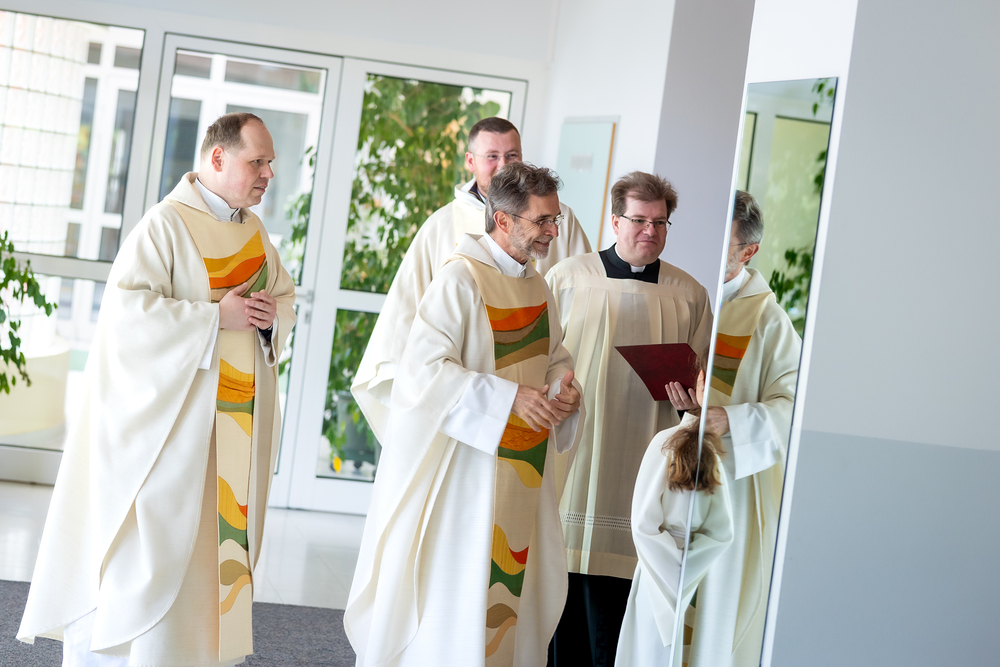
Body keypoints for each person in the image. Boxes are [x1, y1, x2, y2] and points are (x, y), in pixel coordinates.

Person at [18, 112, 296, 666]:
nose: (268, 174)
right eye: (257, 162)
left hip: (233, 425)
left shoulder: (254, 233)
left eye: (270, 163)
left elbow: (282, 299)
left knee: (214, 558)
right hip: (174, 433)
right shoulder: (165, 225)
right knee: (158, 554)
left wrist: (270, 318)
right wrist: (213, 320)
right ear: (217, 158)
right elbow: (127, 318)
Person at [344, 162, 585, 667]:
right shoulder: (460, 279)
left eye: (554, 219)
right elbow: (423, 371)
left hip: (523, 463)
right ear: (503, 220)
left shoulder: (536, 285)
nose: (553, 231)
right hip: (469, 470)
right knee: (463, 593)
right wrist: (508, 398)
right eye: (542, 220)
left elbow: (554, 357)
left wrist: (565, 390)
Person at [544, 171, 713, 665]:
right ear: (615, 221)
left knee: (625, 602)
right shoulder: (567, 278)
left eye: (660, 222)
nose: (649, 231)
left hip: (648, 455)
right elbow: (542, 361)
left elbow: (705, 384)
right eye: (639, 220)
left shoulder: (689, 294)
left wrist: (692, 404)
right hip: (579, 453)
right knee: (565, 590)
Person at [352, 117, 591, 446]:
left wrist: (562, 388)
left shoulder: (539, 276)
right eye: (492, 156)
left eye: (512, 156)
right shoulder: (444, 235)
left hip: (530, 422)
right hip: (461, 423)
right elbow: (413, 335)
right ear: (470, 161)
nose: (503, 166)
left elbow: (563, 332)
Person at [665, 191, 801, 667]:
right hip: (686, 480)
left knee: (714, 611)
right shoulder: (697, 303)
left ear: (749, 252)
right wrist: (688, 408)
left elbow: (793, 408)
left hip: (732, 489)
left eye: (723, 244)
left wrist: (731, 419)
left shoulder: (768, 320)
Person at [616, 373, 734, 667]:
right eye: (708, 380)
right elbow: (643, 524)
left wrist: (688, 572)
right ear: (698, 382)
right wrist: (678, 576)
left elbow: (722, 532)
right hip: (659, 571)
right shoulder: (666, 442)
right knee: (653, 653)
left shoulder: (726, 451)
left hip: (702, 572)